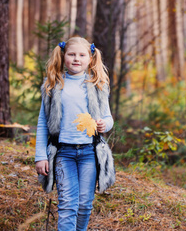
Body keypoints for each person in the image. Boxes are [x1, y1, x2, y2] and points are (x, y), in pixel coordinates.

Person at [35, 36, 115, 231]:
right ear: (63, 57)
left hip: (89, 152)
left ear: (90, 58)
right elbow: (43, 123)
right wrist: (40, 156)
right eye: (71, 54)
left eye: (81, 55)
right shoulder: (53, 85)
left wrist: (105, 124)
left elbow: (108, 117)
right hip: (63, 153)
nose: (76, 59)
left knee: (84, 204)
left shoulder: (97, 85)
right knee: (68, 205)